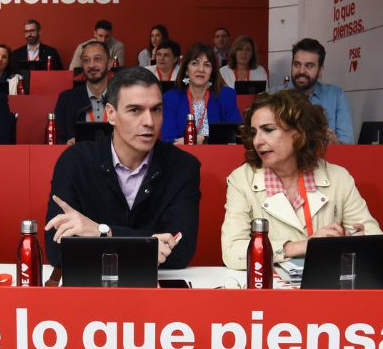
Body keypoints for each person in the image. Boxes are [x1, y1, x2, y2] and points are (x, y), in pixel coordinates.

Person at [44, 67, 198, 270]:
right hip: (89, 288)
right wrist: (147, 245)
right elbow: (58, 251)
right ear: (110, 114)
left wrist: (101, 232)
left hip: (156, 289)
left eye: (156, 109)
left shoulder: (183, 167)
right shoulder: (75, 161)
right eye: (135, 110)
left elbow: (179, 252)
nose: (149, 122)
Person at [221, 90, 381, 268]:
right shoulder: (241, 179)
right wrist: (301, 247)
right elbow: (232, 252)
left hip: (324, 287)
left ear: (298, 132)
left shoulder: (338, 178)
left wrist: (349, 243)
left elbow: (381, 248)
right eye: (254, 132)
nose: (257, 141)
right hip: (270, 289)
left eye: (268, 130)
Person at [162, 43, 241, 143]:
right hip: (182, 157)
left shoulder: (226, 96)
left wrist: (203, 139)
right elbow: (169, 141)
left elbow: (235, 137)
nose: (201, 69)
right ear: (186, 69)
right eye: (195, 63)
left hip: (218, 156)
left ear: (212, 71)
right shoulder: (170, 99)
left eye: (207, 65)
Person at [290, 38, 353, 144]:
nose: (301, 71)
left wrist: (334, 142)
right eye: (297, 64)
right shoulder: (274, 96)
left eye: (309, 66)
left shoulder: (336, 96)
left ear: (320, 70)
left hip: (325, 159)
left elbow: (348, 145)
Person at [51, 40, 112, 144]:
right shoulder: (66, 99)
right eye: (86, 60)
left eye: (97, 59)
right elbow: (57, 140)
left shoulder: (122, 98)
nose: (91, 65)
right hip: (79, 157)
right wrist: (67, 144)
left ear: (109, 63)